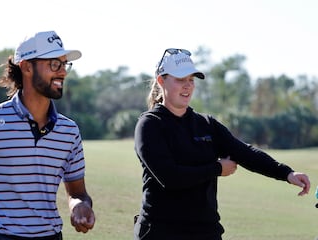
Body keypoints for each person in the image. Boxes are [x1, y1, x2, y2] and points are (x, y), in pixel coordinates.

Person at [133, 48, 311, 240]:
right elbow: (169, 177)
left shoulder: (206, 124)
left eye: (191, 80)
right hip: (161, 232)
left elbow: (244, 153)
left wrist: (286, 173)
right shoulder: (150, 124)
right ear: (161, 81)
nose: (188, 86)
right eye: (180, 79)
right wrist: (217, 168)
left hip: (206, 231)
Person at [0, 30, 95, 239]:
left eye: (64, 64)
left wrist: (80, 206)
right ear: (26, 67)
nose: (63, 72)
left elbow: (77, 193)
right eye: (54, 64)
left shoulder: (69, 132)